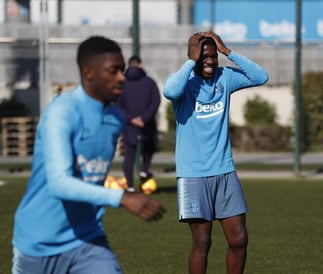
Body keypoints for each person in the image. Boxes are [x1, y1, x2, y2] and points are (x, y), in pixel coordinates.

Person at [11, 36, 165, 274]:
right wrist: (121, 197)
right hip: (39, 243)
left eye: (122, 71)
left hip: (87, 238)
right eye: (113, 71)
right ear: (88, 73)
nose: (121, 78)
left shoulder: (116, 119)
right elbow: (59, 184)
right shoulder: (61, 113)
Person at [163, 31, 268, 273]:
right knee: (202, 242)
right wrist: (191, 61)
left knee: (239, 240)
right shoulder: (183, 83)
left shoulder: (225, 78)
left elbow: (261, 77)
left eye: (213, 56)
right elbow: (170, 92)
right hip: (193, 175)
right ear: (193, 57)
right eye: (203, 57)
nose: (209, 61)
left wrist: (228, 51)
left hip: (225, 171)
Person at [116, 55, 160, 192]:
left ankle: (130, 186)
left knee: (129, 155)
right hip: (147, 124)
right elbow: (155, 101)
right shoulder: (149, 82)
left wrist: (131, 119)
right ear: (140, 65)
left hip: (129, 126)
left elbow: (117, 105)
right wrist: (144, 118)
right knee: (148, 149)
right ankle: (144, 170)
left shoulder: (121, 83)